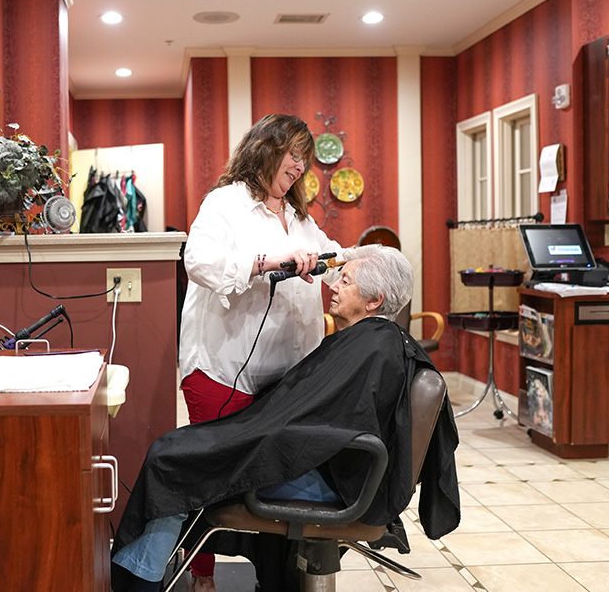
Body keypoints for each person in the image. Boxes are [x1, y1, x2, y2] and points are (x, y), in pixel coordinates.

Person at [111, 245, 461, 592]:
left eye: (345, 281)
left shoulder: (375, 348)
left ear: (373, 300)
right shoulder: (371, 341)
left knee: (173, 463)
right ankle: (141, 580)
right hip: (325, 467)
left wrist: (252, 439)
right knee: (176, 453)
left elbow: (334, 424)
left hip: (333, 481)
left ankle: (138, 586)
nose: (333, 287)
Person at [178, 114, 341, 590]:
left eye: (305, 159)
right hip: (223, 369)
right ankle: (201, 576)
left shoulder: (299, 216)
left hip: (287, 378)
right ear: (266, 148)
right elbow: (199, 262)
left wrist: (356, 262)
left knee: (275, 483)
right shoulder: (225, 203)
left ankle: (272, 579)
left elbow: (330, 257)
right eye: (294, 154)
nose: (300, 167)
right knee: (213, 479)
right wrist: (266, 262)